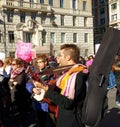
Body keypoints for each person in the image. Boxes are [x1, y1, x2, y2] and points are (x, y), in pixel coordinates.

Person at [33, 44, 88, 127]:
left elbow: (67, 103)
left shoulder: (77, 75)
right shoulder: (69, 74)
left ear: (68, 57)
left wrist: (46, 89)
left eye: (61, 56)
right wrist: (43, 89)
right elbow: (59, 96)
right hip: (65, 118)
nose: (58, 58)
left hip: (71, 121)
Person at [26, 54, 56, 127]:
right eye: (37, 62)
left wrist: (44, 86)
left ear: (45, 62)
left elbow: (53, 85)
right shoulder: (35, 72)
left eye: (40, 62)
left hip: (49, 102)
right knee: (40, 122)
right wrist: (32, 89)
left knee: (53, 123)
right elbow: (28, 84)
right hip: (38, 103)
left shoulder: (51, 72)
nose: (38, 64)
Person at [8, 58, 31, 127]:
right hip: (13, 93)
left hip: (21, 95)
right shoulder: (13, 73)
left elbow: (19, 83)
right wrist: (12, 82)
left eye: (14, 64)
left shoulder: (23, 73)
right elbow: (9, 82)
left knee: (21, 112)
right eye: (11, 64)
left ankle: (23, 124)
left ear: (18, 65)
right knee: (15, 112)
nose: (12, 66)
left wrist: (12, 82)